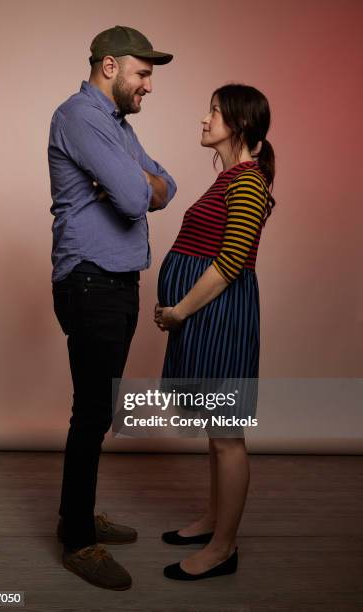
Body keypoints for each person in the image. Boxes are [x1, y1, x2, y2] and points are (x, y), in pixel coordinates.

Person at [48, 25, 176, 591]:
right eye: (142, 73)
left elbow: (165, 185)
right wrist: (130, 185)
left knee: (100, 412)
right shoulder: (80, 116)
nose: (148, 85)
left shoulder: (117, 127)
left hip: (119, 280)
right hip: (91, 280)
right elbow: (132, 198)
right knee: (91, 411)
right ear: (109, 67)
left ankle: (76, 514)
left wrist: (136, 182)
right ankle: (77, 539)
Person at [155, 84, 276, 581]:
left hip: (219, 316)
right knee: (215, 430)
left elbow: (230, 263)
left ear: (240, 124)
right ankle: (213, 520)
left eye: (214, 113)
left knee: (227, 435)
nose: (204, 120)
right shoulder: (230, 177)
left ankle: (223, 547)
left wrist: (181, 309)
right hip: (209, 316)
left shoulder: (247, 181)